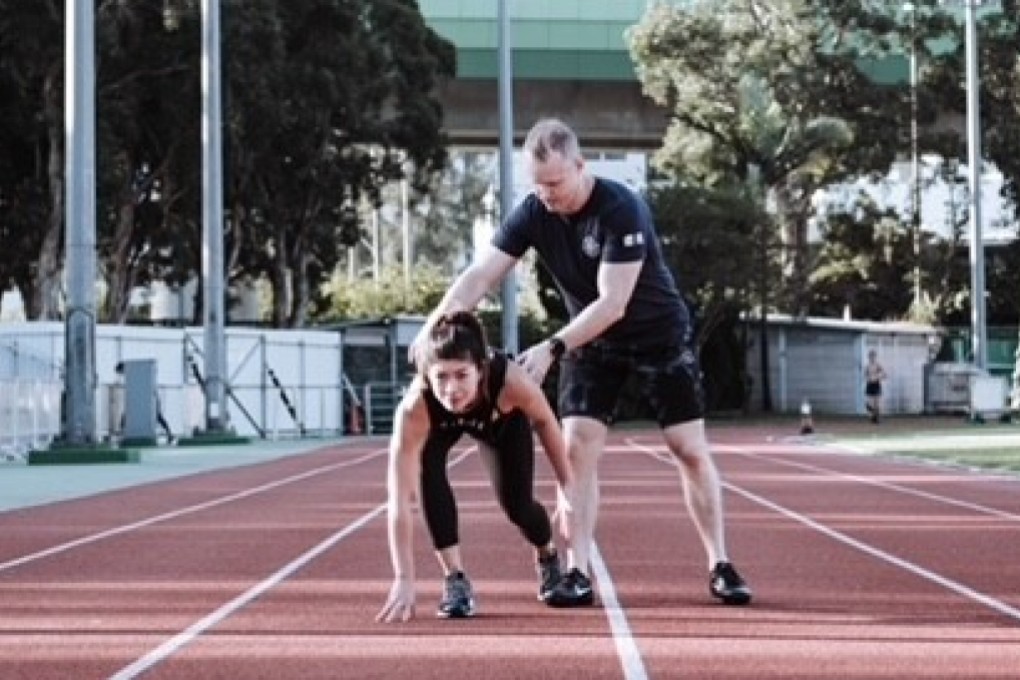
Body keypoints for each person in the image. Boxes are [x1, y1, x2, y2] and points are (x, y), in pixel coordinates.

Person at [410, 118, 752, 607]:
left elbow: (613, 303)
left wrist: (552, 347)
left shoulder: (621, 209)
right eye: (538, 184)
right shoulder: (534, 212)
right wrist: (432, 327)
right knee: (576, 449)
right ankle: (577, 571)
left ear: (580, 166)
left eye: (555, 183)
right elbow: (481, 275)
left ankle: (721, 563)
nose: (546, 194)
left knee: (687, 448)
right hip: (591, 345)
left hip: (655, 334)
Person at [376, 311, 580, 623]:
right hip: (439, 428)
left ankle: (547, 554)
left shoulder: (511, 381)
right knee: (426, 475)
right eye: (441, 377)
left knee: (518, 506)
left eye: (461, 375)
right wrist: (403, 577)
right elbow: (399, 501)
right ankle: (455, 579)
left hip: (500, 423)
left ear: (481, 370)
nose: (451, 389)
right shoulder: (415, 408)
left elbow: (545, 421)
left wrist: (567, 487)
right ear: (427, 375)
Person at [864, 349, 887, 424]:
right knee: (870, 404)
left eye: (873, 356)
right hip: (870, 385)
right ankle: (872, 415)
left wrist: (878, 377)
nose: (872, 358)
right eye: (871, 356)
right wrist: (869, 378)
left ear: (875, 357)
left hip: (876, 385)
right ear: (869, 357)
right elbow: (865, 376)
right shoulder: (867, 366)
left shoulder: (878, 365)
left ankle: (876, 418)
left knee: (877, 403)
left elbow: (885, 375)